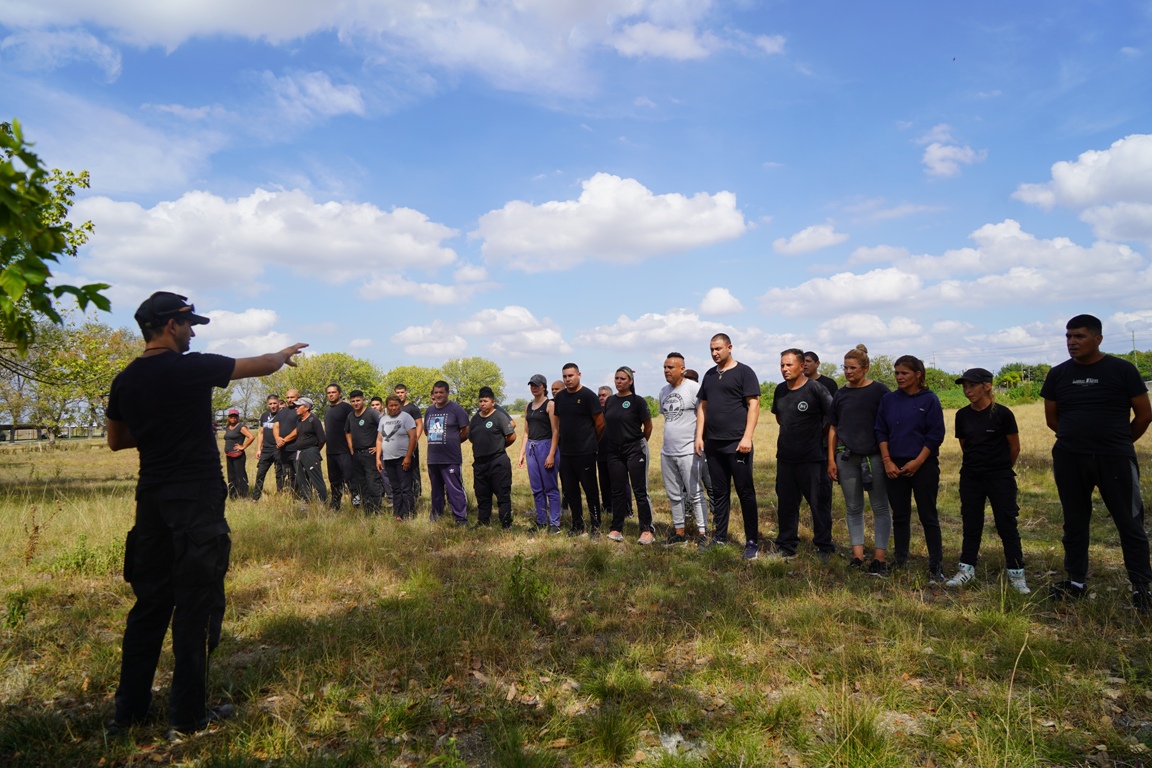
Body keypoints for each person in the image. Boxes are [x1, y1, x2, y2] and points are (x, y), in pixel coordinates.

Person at [105, 290, 305, 737]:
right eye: (189, 324)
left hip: (151, 500)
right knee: (196, 605)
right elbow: (261, 364)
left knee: (149, 606)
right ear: (171, 325)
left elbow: (117, 440)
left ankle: (129, 712)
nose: (194, 331)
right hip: (195, 500)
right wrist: (284, 353)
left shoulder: (125, 380)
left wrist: (159, 430)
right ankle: (187, 714)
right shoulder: (192, 368)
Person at [1042, 314, 1152, 607]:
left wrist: (1118, 442)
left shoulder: (1122, 370)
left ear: (1098, 339)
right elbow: (1053, 419)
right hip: (1070, 458)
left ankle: (1142, 588)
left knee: (1129, 522)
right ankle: (1076, 581)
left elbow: (1144, 414)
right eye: (1068, 337)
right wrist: (1076, 440)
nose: (1072, 342)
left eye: (1079, 336)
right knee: (1075, 522)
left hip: (1115, 458)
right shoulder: (1058, 374)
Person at [945, 368, 1029, 594]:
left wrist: (999, 468)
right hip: (971, 476)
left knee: (1006, 524)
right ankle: (966, 569)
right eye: (964, 386)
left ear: (987, 386)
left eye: (972, 385)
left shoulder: (1003, 414)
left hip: (1000, 477)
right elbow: (965, 445)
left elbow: (1015, 447)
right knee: (971, 523)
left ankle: (1016, 573)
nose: (967, 390)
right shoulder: (961, 415)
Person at [875, 355, 945, 581]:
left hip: (923, 465)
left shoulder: (930, 400)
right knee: (900, 516)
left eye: (904, 373)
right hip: (894, 465)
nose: (899, 377)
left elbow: (936, 435)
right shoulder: (888, 400)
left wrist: (918, 461)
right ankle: (900, 559)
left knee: (928, 515)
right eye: (896, 373)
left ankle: (936, 565)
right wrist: (887, 461)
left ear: (918, 374)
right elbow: (881, 431)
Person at [695, 333, 761, 560]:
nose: (714, 353)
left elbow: (754, 405)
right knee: (719, 493)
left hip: (737, 444)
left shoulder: (744, 372)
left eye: (718, 349)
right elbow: (702, 407)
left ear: (729, 347)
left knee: (745, 493)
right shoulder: (710, 375)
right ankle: (720, 537)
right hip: (713, 444)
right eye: (711, 349)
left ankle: (752, 542)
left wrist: (747, 437)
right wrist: (699, 436)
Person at [827, 345, 891, 577]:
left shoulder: (880, 391)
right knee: (853, 508)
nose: (848, 372)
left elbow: (887, 424)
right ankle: (857, 556)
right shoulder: (841, 394)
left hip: (874, 458)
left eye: (853, 368)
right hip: (846, 457)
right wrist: (831, 460)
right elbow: (833, 427)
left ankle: (879, 558)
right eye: (845, 367)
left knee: (880, 507)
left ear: (865, 368)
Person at [771, 348, 835, 561]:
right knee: (786, 504)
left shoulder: (816, 389)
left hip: (812, 458)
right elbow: (781, 418)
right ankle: (787, 545)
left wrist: (817, 435)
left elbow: (832, 417)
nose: (784, 369)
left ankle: (824, 546)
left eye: (789, 365)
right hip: (786, 457)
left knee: (818, 504)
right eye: (782, 365)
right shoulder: (780, 390)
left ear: (801, 366)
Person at [659, 353, 708, 546]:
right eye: (664, 367)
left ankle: (703, 532)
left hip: (689, 449)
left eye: (671, 367)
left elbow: (703, 414)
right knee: (674, 494)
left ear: (682, 369)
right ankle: (679, 533)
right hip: (668, 451)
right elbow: (667, 418)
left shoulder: (694, 388)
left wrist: (699, 439)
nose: (667, 371)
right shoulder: (663, 391)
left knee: (695, 493)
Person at [603, 367, 654, 543]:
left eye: (622, 378)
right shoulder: (610, 401)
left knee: (639, 490)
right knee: (617, 491)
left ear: (630, 381)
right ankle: (616, 528)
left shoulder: (637, 401)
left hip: (634, 448)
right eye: (616, 378)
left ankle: (647, 530)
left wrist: (640, 444)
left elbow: (648, 426)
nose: (618, 381)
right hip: (614, 451)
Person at [553, 363, 605, 536]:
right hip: (566, 453)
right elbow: (559, 424)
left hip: (586, 452)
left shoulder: (588, 396)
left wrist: (591, 442)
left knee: (590, 491)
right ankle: (577, 525)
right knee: (571, 491)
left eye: (571, 376)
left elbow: (600, 424)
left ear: (579, 375)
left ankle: (595, 525)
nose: (568, 379)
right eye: (565, 376)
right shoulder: (560, 398)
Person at [518, 374, 561, 533]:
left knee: (550, 487)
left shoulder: (550, 405)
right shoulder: (528, 406)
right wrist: (521, 453)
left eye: (537, 385)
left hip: (546, 445)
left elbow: (556, 431)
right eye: (531, 385)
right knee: (537, 488)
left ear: (544, 387)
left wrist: (551, 454)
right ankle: (541, 521)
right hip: (531, 448)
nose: (534, 388)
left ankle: (555, 523)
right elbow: (525, 432)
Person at [469, 386, 517, 529]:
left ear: (493, 402)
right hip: (479, 463)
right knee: (482, 494)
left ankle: (506, 522)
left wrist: (498, 447)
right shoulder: (475, 418)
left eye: (486, 401)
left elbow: (511, 436)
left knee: (502, 493)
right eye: (480, 401)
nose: (483, 404)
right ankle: (483, 521)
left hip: (498, 462)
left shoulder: (499, 417)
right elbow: (472, 438)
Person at [424, 380, 470, 524]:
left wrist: (454, 441)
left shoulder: (456, 409)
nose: (438, 395)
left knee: (454, 489)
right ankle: (436, 514)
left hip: (450, 457)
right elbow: (427, 431)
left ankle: (460, 517)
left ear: (447, 393)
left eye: (441, 392)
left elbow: (465, 431)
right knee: (436, 489)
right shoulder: (429, 411)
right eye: (436, 392)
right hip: (433, 458)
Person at [379, 395, 418, 520]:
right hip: (388, 458)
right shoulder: (383, 420)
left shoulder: (406, 418)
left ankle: (409, 513)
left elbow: (413, 437)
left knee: (405, 487)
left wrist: (408, 457)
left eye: (396, 405)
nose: (394, 408)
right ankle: (398, 513)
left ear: (400, 405)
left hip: (403, 458)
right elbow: (379, 440)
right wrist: (378, 459)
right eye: (391, 405)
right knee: (395, 488)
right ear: (387, 407)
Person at [346, 389, 384, 514]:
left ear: (363, 400)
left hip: (370, 454)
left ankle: (377, 510)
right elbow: (347, 432)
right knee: (361, 484)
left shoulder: (372, 413)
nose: (356, 403)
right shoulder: (351, 416)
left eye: (358, 400)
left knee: (373, 482)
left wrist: (379, 447)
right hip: (356, 454)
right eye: (353, 401)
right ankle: (368, 510)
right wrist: (351, 447)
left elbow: (385, 428)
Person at [596, 385, 627, 521]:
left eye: (604, 395)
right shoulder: (596, 412)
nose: (601, 398)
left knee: (620, 482)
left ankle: (626, 509)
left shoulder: (615, 411)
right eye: (599, 395)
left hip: (616, 452)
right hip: (601, 452)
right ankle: (607, 506)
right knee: (603, 481)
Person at [323, 384, 355, 510]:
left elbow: (353, 428)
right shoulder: (327, 410)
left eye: (333, 392)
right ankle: (335, 505)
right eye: (329, 393)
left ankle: (357, 503)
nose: (331, 395)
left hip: (345, 451)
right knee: (334, 480)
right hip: (331, 451)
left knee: (350, 479)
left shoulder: (346, 408)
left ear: (340, 393)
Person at [292, 397, 327, 504]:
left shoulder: (314, 420)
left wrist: (314, 450)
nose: (296, 408)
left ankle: (323, 502)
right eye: (295, 406)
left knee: (316, 479)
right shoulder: (299, 420)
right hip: (299, 453)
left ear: (306, 407)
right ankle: (306, 502)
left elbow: (322, 439)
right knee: (301, 479)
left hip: (311, 452)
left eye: (299, 406)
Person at [394, 384, 424, 500]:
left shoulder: (412, 408)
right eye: (397, 392)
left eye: (402, 392)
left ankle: (416, 494)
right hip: (398, 445)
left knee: (413, 469)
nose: (400, 394)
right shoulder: (394, 409)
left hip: (411, 444)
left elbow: (419, 424)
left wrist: (415, 440)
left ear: (406, 393)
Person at [250, 395, 283, 500]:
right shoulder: (264, 416)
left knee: (280, 475)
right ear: (267, 404)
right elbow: (260, 432)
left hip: (278, 449)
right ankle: (256, 498)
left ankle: (281, 496)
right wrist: (259, 449)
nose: (272, 406)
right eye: (270, 404)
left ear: (278, 403)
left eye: (274, 403)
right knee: (260, 473)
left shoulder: (283, 415)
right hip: (266, 449)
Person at [222, 408, 253, 500]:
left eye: (235, 416)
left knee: (240, 475)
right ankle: (233, 496)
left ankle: (244, 495)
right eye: (231, 416)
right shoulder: (228, 428)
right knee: (231, 476)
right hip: (229, 455)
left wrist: (243, 447)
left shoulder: (241, 427)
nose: (233, 418)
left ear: (238, 417)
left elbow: (251, 437)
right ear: (228, 417)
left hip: (238, 455)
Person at [273, 389, 301, 492]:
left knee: (299, 474)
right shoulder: (282, 412)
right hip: (284, 450)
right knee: (288, 475)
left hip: (296, 449)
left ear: (298, 397)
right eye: (288, 397)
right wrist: (277, 438)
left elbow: (298, 429)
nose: (290, 400)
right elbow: (276, 426)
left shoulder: (300, 410)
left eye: (292, 397)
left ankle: (303, 497)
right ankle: (293, 496)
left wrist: (283, 440)